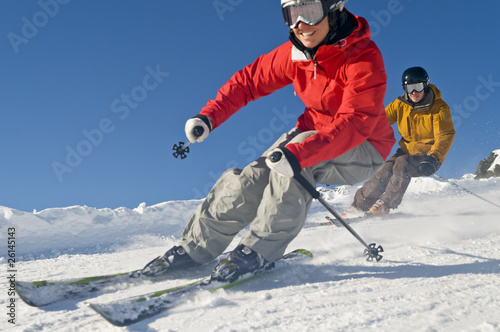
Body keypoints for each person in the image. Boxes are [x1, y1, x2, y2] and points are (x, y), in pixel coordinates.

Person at [142, 0, 395, 282]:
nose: (301, 25)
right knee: (254, 176)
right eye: (292, 15)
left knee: (293, 166)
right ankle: (195, 248)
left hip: (364, 146)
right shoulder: (295, 55)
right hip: (310, 135)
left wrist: (300, 153)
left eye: (309, 12)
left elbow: (357, 120)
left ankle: (259, 250)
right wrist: (209, 117)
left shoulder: (362, 56)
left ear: (332, 11)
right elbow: (248, 82)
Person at [342, 66, 456, 218]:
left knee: (402, 164)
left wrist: (433, 158)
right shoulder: (400, 104)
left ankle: (385, 204)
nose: (414, 92)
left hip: (428, 156)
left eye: (418, 87)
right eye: (410, 88)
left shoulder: (439, 108)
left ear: (425, 85)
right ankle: (357, 207)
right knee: (384, 172)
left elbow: (445, 135)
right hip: (406, 151)